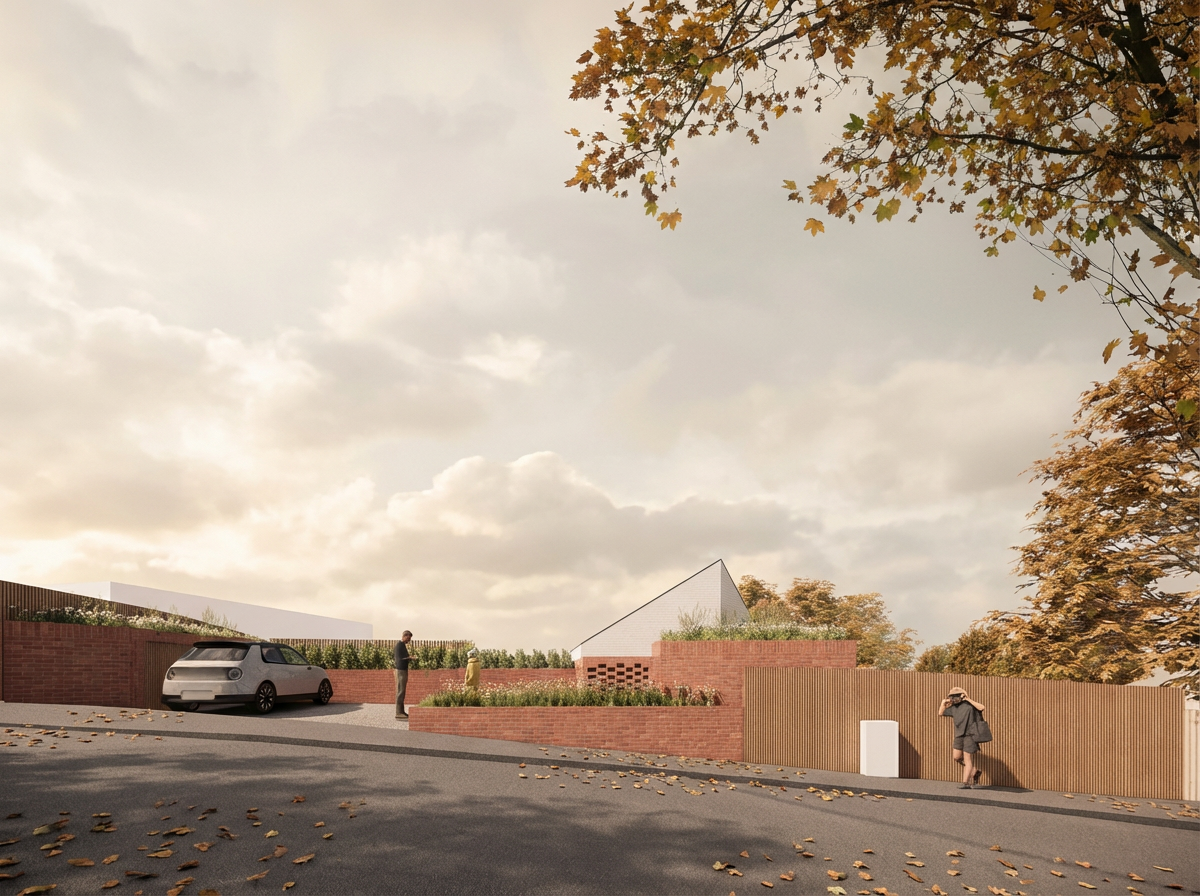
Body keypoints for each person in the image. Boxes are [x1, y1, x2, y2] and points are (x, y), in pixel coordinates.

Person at [938, 686, 986, 789]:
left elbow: (982, 707)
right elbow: (940, 713)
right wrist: (943, 703)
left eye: (956, 696)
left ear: (961, 695)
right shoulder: (953, 708)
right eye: (952, 696)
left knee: (967, 758)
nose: (954, 698)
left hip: (970, 735)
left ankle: (965, 783)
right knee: (956, 757)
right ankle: (974, 771)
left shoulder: (970, 706)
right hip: (959, 735)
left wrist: (967, 699)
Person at [394, 630, 412, 720]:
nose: (409, 640)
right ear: (404, 636)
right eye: (408, 638)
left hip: (403, 670)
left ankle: (401, 711)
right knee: (400, 691)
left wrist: (408, 658)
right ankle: (398, 712)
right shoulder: (399, 645)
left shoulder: (402, 645)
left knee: (402, 691)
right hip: (400, 670)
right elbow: (399, 658)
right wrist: (409, 658)